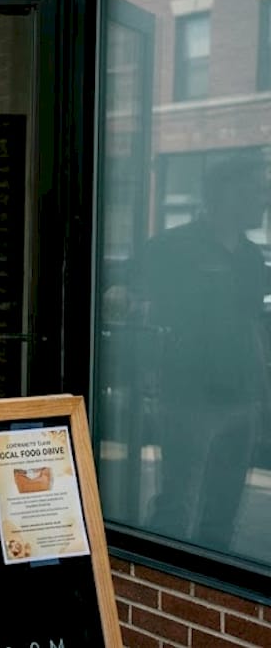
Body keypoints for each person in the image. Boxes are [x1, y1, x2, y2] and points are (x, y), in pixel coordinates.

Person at [130, 155, 270, 551]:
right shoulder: (170, 248)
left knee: (223, 513)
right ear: (227, 192)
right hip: (190, 399)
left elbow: (251, 327)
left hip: (243, 400)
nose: (265, 199)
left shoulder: (251, 257)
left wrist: (261, 394)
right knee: (177, 506)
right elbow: (138, 309)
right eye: (258, 190)